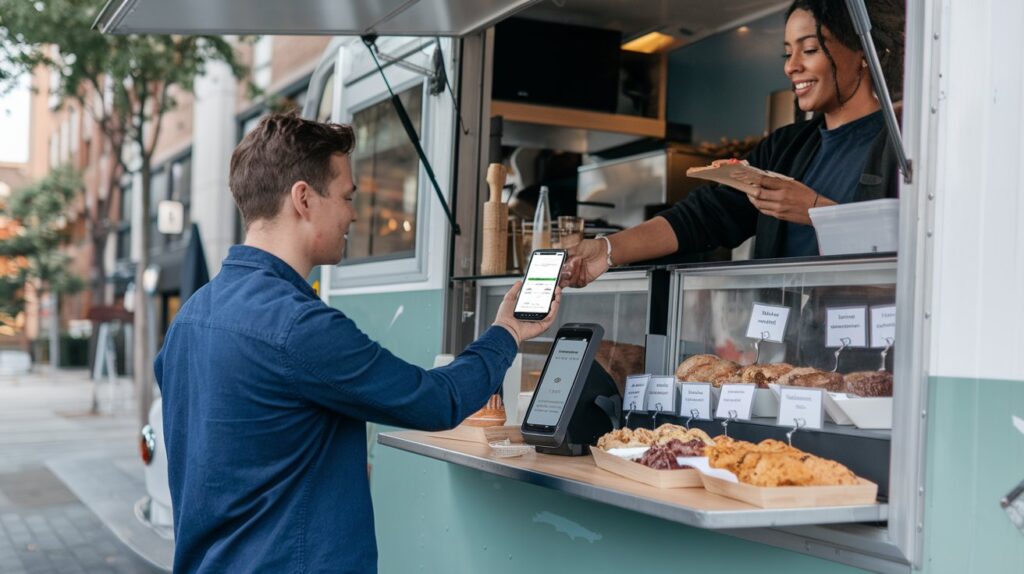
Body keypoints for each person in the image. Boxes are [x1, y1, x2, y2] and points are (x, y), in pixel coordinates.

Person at [154, 112, 561, 573]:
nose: (353, 213)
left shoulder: (190, 318)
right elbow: (436, 401)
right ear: (303, 199)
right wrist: (507, 331)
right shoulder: (299, 327)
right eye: (346, 196)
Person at [568, 0, 904, 287]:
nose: (791, 66)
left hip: (872, 346)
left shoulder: (902, 143)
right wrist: (608, 250)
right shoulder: (786, 147)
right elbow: (705, 215)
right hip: (787, 346)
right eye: (787, 53)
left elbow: (918, 250)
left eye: (810, 49)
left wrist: (817, 211)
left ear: (866, 52)